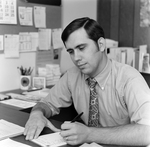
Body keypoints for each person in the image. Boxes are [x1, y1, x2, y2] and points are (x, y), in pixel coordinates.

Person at [24, 17, 150, 146]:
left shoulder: (129, 79)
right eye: (71, 52)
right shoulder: (72, 76)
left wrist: (89, 134)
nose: (76, 58)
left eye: (81, 48)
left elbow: (147, 132)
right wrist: (36, 114)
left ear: (101, 44)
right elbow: (47, 104)